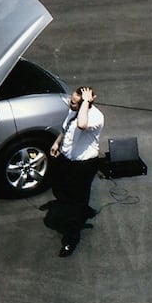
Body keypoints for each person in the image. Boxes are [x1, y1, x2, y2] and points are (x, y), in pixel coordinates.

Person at [49, 86, 104, 257]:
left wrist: (86, 103)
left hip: (84, 164)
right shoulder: (74, 111)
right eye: (70, 101)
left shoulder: (95, 116)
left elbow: (81, 125)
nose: (69, 105)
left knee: (75, 203)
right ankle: (82, 208)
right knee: (59, 189)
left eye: (74, 103)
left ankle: (71, 239)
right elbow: (67, 128)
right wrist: (58, 142)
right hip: (67, 159)